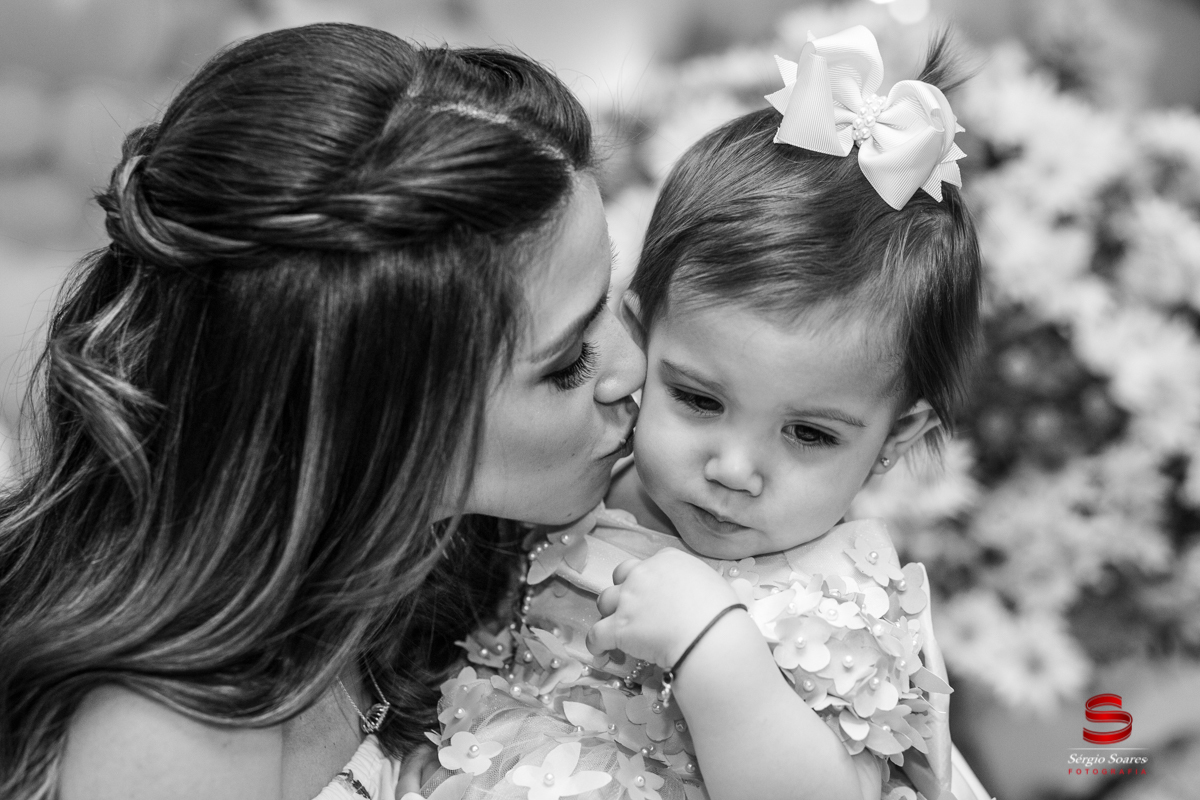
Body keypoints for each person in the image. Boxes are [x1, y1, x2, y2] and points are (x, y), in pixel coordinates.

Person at [0, 23, 644, 800]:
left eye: (614, 297)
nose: (633, 369)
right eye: (568, 360)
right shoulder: (173, 743)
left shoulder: (461, 547)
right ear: (372, 426)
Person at [423, 26, 992, 800]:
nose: (732, 469)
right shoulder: (567, 485)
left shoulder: (839, 602)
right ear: (636, 337)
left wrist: (716, 654)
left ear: (896, 437)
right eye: (698, 399)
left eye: (809, 433)